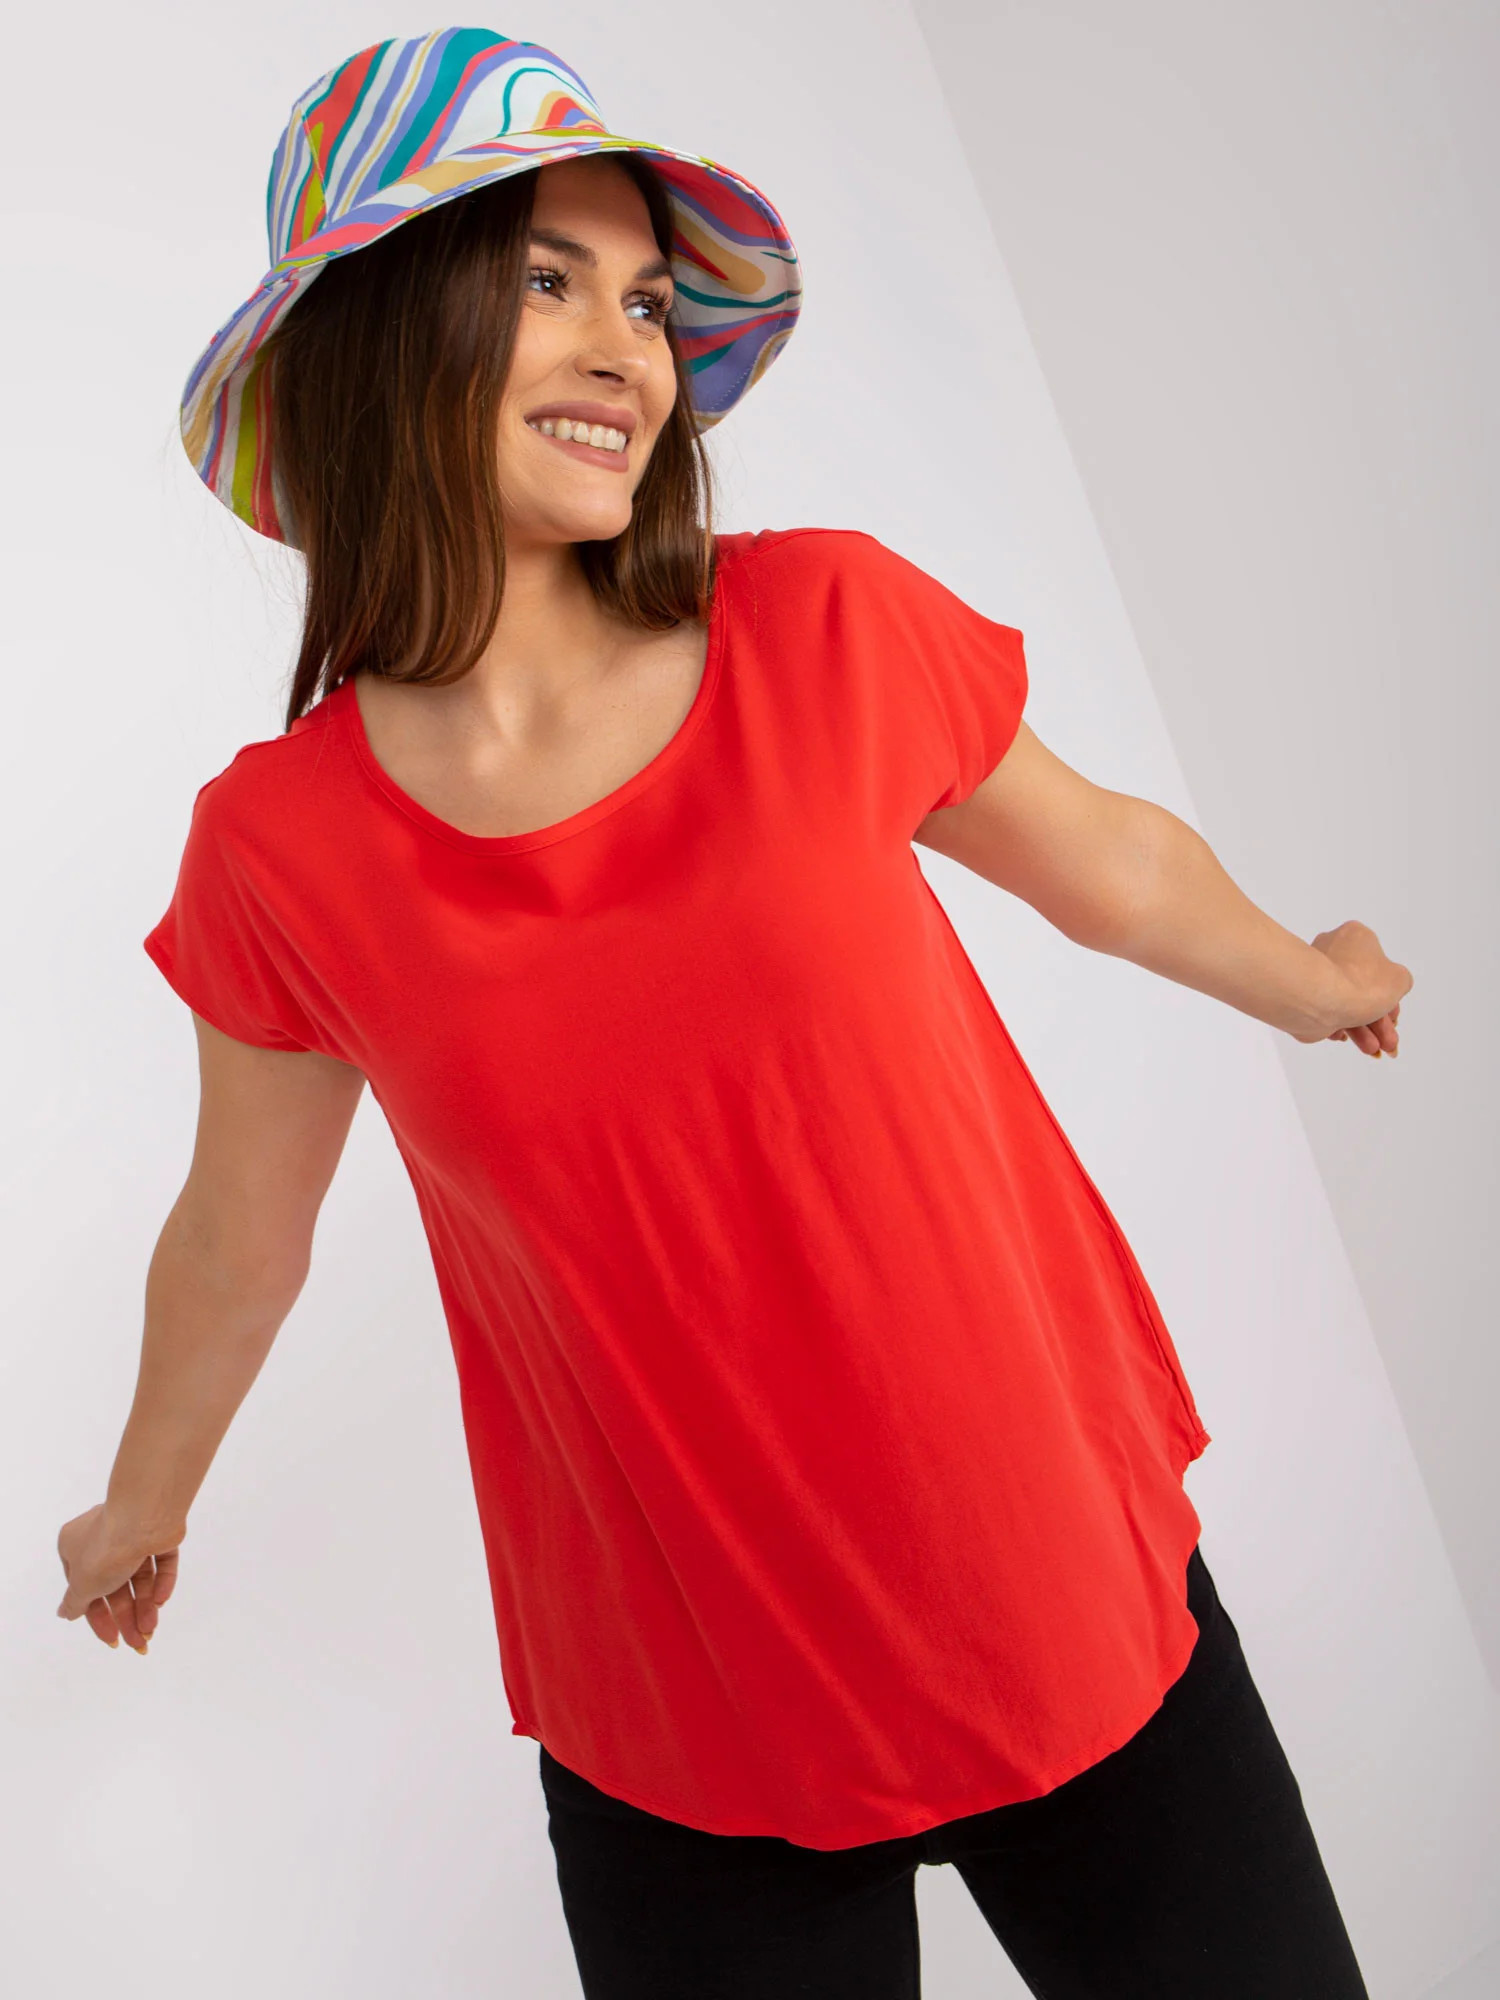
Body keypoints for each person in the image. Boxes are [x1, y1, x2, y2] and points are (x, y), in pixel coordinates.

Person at [55, 30, 1398, 1999]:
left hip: (1052, 1595)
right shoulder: (280, 848)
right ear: (380, 332)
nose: (625, 344)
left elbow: (1111, 865)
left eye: (647, 301)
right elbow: (239, 1234)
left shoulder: (826, 626)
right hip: (679, 1709)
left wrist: (1313, 977)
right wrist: (141, 1500)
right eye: (546, 279)